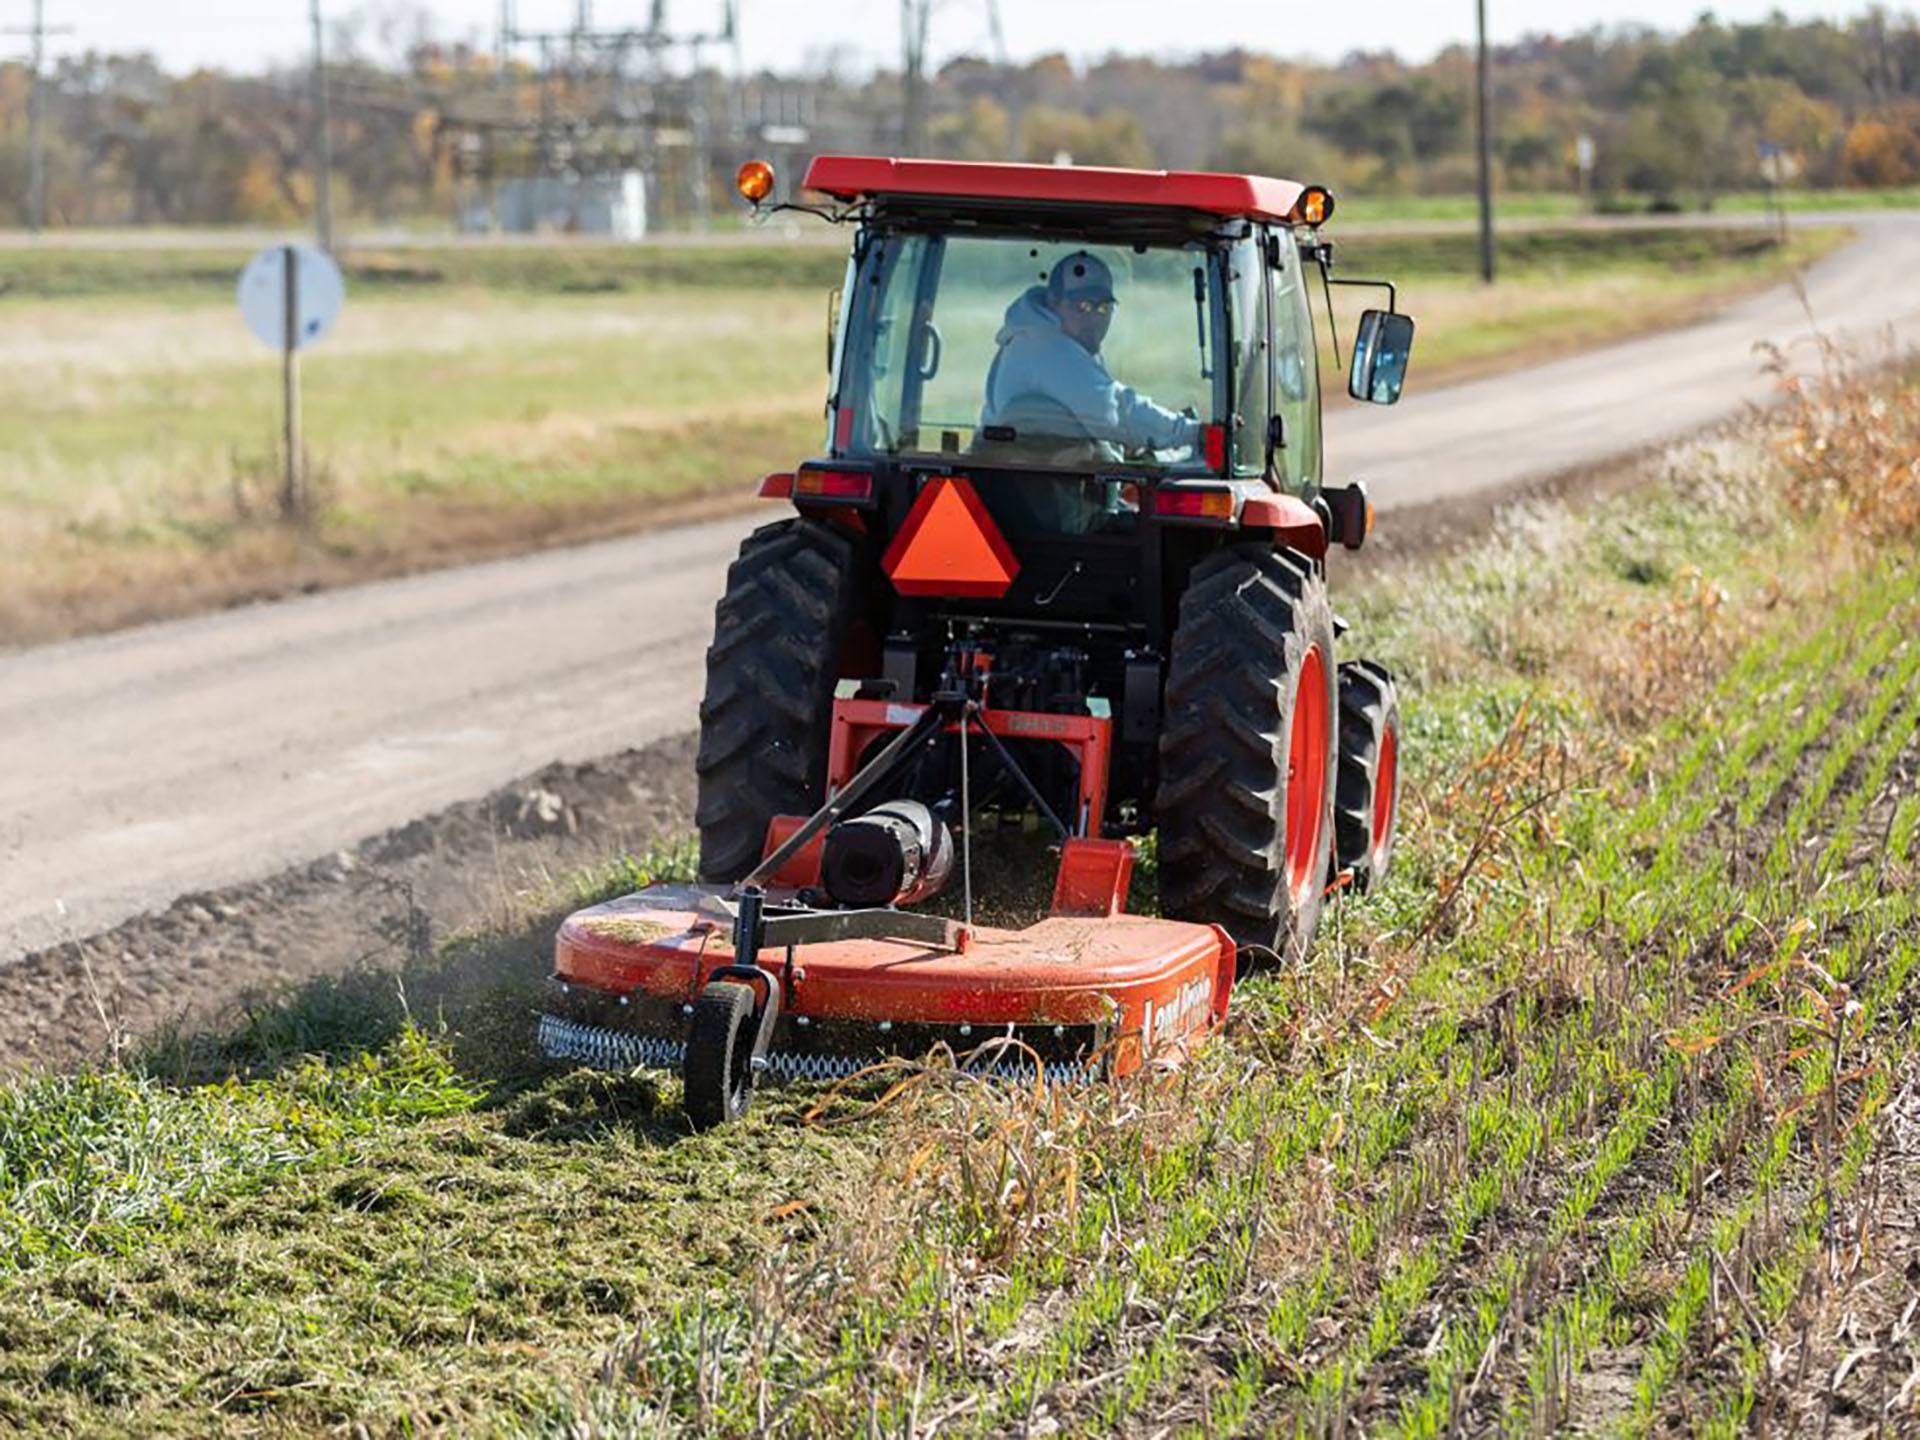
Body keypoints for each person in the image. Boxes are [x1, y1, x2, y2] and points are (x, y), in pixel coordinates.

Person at [980, 251, 1200, 455]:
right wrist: (1191, 432)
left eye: (1103, 308)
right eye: (1082, 306)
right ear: (1053, 302)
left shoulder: (1029, 337)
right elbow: (1115, 413)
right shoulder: (1048, 347)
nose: (1094, 319)